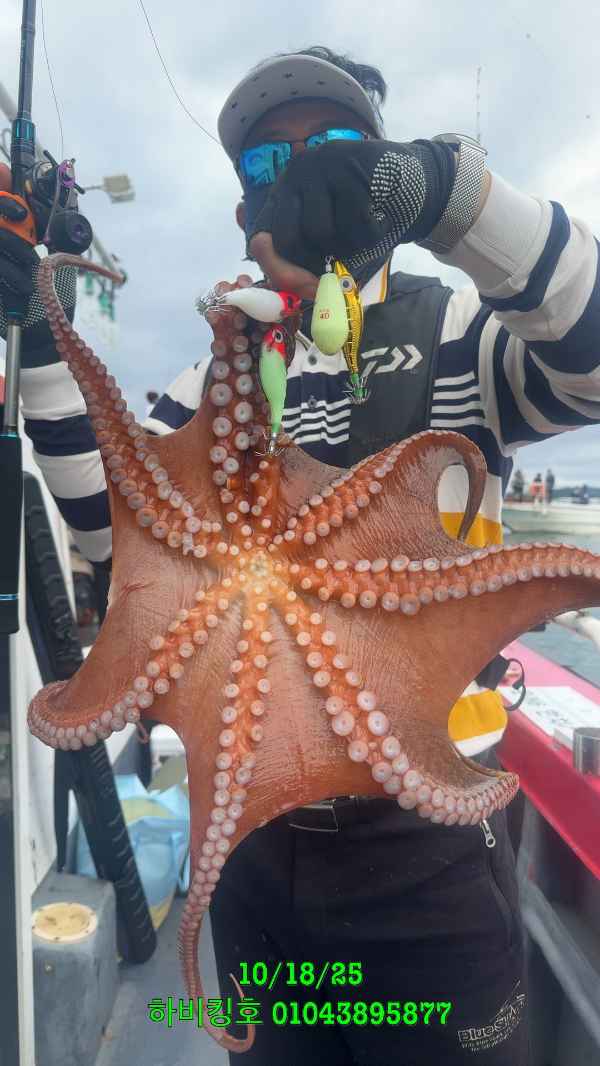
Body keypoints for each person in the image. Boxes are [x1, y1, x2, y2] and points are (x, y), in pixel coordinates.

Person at [2, 44, 600, 1066]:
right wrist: (39, 340)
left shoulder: (463, 332)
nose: (303, 172)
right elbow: (113, 534)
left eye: (337, 148)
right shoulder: (211, 381)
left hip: (427, 860)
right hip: (253, 845)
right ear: (246, 207)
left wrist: (447, 192)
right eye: (268, 162)